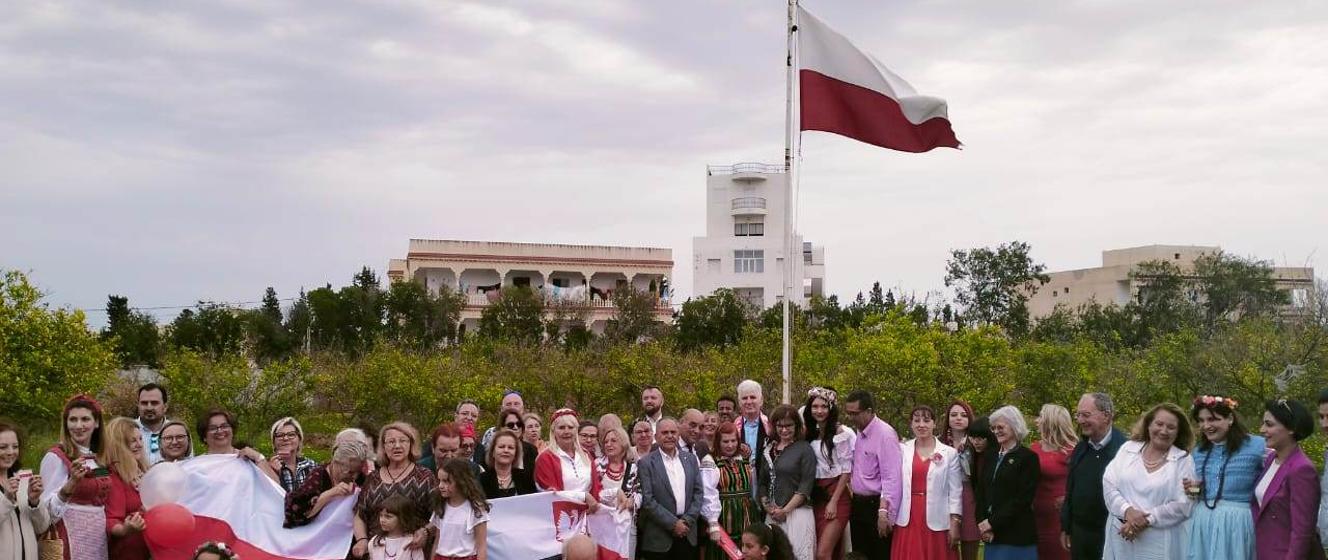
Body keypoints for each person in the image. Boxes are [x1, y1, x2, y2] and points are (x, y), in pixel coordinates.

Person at [1101, 403, 1195, 560]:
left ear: (1178, 432)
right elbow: (1109, 484)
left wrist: (1146, 519)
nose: (1163, 431)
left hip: (1158, 541)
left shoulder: (1183, 460)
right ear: (1149, 424)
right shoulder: (1128, 449)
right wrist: (1128, 511)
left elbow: (1185, 504)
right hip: (1121, 534)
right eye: (1159, 424)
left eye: (1171, 427)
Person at [1185, 395, 1263, 560]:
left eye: (1213, 419)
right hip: (1203, 522)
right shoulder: (1198, 452)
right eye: (1201, 420)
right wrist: (1193, 488)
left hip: (1238, 524)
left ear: (1230, 418)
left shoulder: (1258, 446)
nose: (1206, 426)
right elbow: (1195, 493)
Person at [38, 394, 111, 560]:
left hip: (97, 537)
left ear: (97, 423)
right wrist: (69, 486)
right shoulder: (56, 457)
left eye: (85, 419)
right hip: (68, 535)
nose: (79, 426)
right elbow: (45, 513)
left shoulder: (100, 458)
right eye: (73, 420)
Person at [351, 422, 437, 559]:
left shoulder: (425, 477)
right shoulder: (372, 478)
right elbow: (360, 515)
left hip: (411, 552)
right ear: (383, 447)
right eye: (391, 441)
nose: (397, 445)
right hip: (377, 553)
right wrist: (362, 541)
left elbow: (439, 514)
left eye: (403, 441)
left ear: (411, 444)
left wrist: (426, 532)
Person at [1254, 398, 1324, 560]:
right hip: (1262, 551)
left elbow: (1302, 532)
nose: (1262, 429)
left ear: (1291, 428)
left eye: (1269, 424)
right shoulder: (1271, 458)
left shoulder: (1302, 470)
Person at [1061, 392, 1127, 560]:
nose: (1080, 420)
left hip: (1112, 534)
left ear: (1106, 416)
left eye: (1086, 415)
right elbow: (1071, 490)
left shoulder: (1126, 451)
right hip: (1080, 535)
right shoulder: (1080, 449)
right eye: (1078, 415)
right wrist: (1066, 527)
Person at [891, 405, 961, 560]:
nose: (921, 424)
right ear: (911, 424)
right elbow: (891, 481)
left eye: (926, 420)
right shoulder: (901, 450)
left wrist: (955, 522)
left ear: (934, 424)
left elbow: (955, 491)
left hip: (938, 516)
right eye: (916, 420)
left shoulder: (949, 454)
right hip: (908, 515)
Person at [843, 390, 902, 559]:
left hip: (876, 505)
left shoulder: (885, 434)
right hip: (859, 504)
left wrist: (885, 512)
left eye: (855, 413)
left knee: (879, 553)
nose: (851, 418)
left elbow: (891, 477)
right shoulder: (860, 433)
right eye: (849, 413)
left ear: (868, 411)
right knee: (860, 555)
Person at [977, 405, 1040, 560]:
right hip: (992, 536)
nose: (996, 431)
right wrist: (982, 523)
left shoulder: (1028, 458)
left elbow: (1023, 499)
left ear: (1014, 426)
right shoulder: (990, 456)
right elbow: (981, 492)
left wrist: (992, 523)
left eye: (1000, 427)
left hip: (1017, 537)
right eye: (993, 428)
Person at [638, 418, 704, 560]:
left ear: (679, 435)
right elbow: (648, 500)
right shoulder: (646, 463)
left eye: (673, 432)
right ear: (656, 437)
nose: (669, 436)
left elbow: (698, 494)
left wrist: (686, 521)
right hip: (659, 538)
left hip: (687, 532)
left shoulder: (691, 459)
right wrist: (674, 524)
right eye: (665, 432)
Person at [757, 404, 816, 560]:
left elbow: (806, 486)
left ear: (796, 425)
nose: (784, 430)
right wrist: (770, 509)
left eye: (788, 425)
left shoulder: (805, 449)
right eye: (780, 426)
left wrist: (785, 510)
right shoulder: (768, 450)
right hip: (773, 515)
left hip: (797, 514)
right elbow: (762, 483)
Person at [802, 387, 854, 560]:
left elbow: (847, 470)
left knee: (823, 553)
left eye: (824, 406)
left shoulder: (840, 433)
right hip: (817, 495)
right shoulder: (809, 433)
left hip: (836, 495)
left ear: (831, 408)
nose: (819, 410)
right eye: (815, 406)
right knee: (823, 550)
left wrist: (834, 501)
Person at [704, 422, 761, 560]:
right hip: (724, 514)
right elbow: (707, 492)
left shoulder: (744, 459)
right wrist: (712, 522)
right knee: (724, 552)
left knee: (747, 548)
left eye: (733, 441)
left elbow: (754, 487)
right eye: (725, 441)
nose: (730, 445)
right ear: (718, 441)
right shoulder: (710, 461)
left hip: (747, 513)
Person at [284, 439, 370, 528]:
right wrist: (330, 494)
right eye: (350, 472)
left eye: (358, 472)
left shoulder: (360, 478)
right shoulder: (318, 476)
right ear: (335, 462)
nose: (355, 476)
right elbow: (296, 514)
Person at [1031, 403, 1077, 560]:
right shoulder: (1034, 449)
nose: (1037, 421)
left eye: (1041, 417)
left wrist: (1070, 499)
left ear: (1051, 421)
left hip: (1059, 519)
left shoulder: (1073, 450)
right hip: (1036, 518)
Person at [1, 420, 52, 560]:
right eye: (3, 447)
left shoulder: (23, 481)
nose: (10, 452)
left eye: (15, 446)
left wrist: (34, 501)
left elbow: (42, 527)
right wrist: (6, 499)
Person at [533, 409, 602, 510]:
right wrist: (583, 496)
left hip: (587, 516)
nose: (566, 431)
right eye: (561, 428)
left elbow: (596, 490)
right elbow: (551, 495)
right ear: (553, 431)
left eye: (570, 427)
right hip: (561, 518)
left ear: (576, 430)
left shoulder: (586, 455)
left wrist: (615, 493)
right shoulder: (545, 458)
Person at [100, 417, 149, 560]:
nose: (139, 444)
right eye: (133, 441)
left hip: (149, 549)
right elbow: (111, 520)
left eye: (140, 439)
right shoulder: (113, 477)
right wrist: (125, 529)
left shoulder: (144, 470)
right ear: (119, 444)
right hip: (128, 551)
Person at [941, 400, 981, 560]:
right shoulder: (938, 443)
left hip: (969, 495)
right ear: (947, 419)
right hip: (943, 496)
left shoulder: (976, 443)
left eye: (963, 415)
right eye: (954, 415)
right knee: (946, 545)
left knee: (970, 544)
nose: (958, 418)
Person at [429, 458, 490, 560]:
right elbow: (437, 540)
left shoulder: (476, 509)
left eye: (446, 481)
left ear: (461, 481)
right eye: (439, 481)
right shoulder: (441, 506)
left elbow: (481, 546)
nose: (440, 486)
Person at [196, 409, 278, 481]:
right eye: (213, 428)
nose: (220, 431)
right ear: (204, 436)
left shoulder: (250, 458)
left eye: (224, 426)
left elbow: (277, 488)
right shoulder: (197, 466)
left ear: (232, 431)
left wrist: (259, 457)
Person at [134, 383, 188, 465]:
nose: (149, 407)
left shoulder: (178, 431)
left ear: (165, 407)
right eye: (144, 403)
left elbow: (189, 462)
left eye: (154, 403)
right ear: (138, 405)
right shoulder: (127, 430)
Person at [479, 429, 535, 499]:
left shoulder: (526, 478)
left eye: (510, 448)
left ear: (516, 454)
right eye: (501, 447)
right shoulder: (481, 480)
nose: (506, 450)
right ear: (492, 452)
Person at [369, 494, 426, 560]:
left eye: (388, 516)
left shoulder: (412, 542)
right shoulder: (374, 541)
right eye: (381, 515)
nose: (382, 520)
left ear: (402, 518)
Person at [268, 417, 317, 493]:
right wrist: (273, 473)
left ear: (299, 439)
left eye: (291, 434)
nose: (286, 438)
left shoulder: (311, 465)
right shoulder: (266, 468)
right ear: (273, 442)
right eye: (280, 435)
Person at [735, 380, 771, 464]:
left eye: (753, 397)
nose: (749, 402)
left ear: (761, 400)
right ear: (739, 402)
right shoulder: (733, 427)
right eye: (744, 398)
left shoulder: (769, 426)